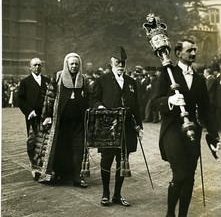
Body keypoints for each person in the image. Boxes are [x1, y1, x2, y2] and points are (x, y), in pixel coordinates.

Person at [152, 37, 221, 217]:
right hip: (172, 130)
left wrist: (214, 137)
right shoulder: (167, 74)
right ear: (178, 53)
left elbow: (207, 110)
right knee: (180, 174)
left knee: (189, 177)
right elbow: (154, 102)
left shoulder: (199, 79)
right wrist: (170, 101)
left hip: (192, 132)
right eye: (190, 50)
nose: (193, 53)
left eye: (195, 49)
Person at [91, 46, 143, 207]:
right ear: (111, 63)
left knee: (122, 160)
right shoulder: (102, 80)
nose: (120, 66)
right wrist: (101, 108)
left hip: (127, 128)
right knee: (106, 160)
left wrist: (139, 126)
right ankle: (105, 193)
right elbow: (93, 100)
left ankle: (117, 195)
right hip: (108, 127)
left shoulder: (131, 82)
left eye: (123, 63)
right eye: (117, 63)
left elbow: (136, 106)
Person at [35, 52, 90, 187]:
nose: (74, 66)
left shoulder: (84, 79)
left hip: (79, 120)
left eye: (76, 64)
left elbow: (89, 97)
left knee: (78, 148)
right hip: (61, 120)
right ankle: (61, 174)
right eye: (71, 63)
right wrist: (48, 115)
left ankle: (77, 177)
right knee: (61, 147)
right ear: (67, 64)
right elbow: (49, 97)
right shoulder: (58, 77)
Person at [18, 58, 50, 165]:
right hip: (32, 116)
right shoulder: (25, 82)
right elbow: (20, 100)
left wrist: (49, 114)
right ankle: (34, 163)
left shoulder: (47, 81)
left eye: (39, 65)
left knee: (45, 140)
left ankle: (44, 164)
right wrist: (29, 111)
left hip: (46, 116)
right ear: (30, 67)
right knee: (32, 140)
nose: (37, 67)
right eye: (35, 65)